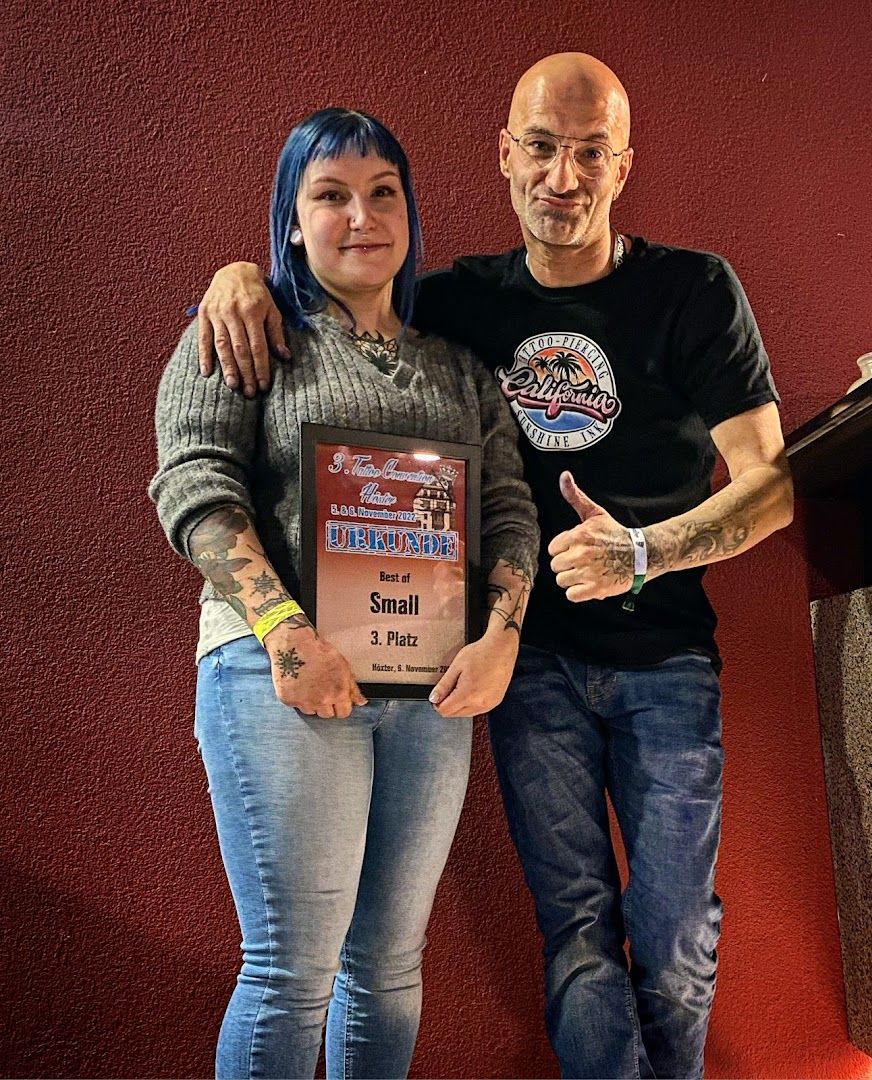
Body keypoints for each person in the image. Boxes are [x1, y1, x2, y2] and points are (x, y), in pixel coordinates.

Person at [192, 54, 794, 1080]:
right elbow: (328, 289)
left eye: (591, 151)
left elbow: (772, 484)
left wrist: (648, 550)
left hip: (662, 660)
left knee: (679, 944)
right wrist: (240, 274)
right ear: (507, 157)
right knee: (573, 937)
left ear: (623, 164)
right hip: (525, 674)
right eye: (545, 148)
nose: (565, 176)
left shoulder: (691, 289)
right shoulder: (457, 306)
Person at [149, 107, 538, 1080]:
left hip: (429, 694)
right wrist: (285, 630)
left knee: (391, 968)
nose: (361, 215)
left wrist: (502, 635)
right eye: (330, 195)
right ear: (290, 217)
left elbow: (509, 512)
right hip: (281, 682)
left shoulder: (457, 370)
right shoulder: (241, 333)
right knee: (291, 972)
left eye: (382, 193)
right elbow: (195, 486)